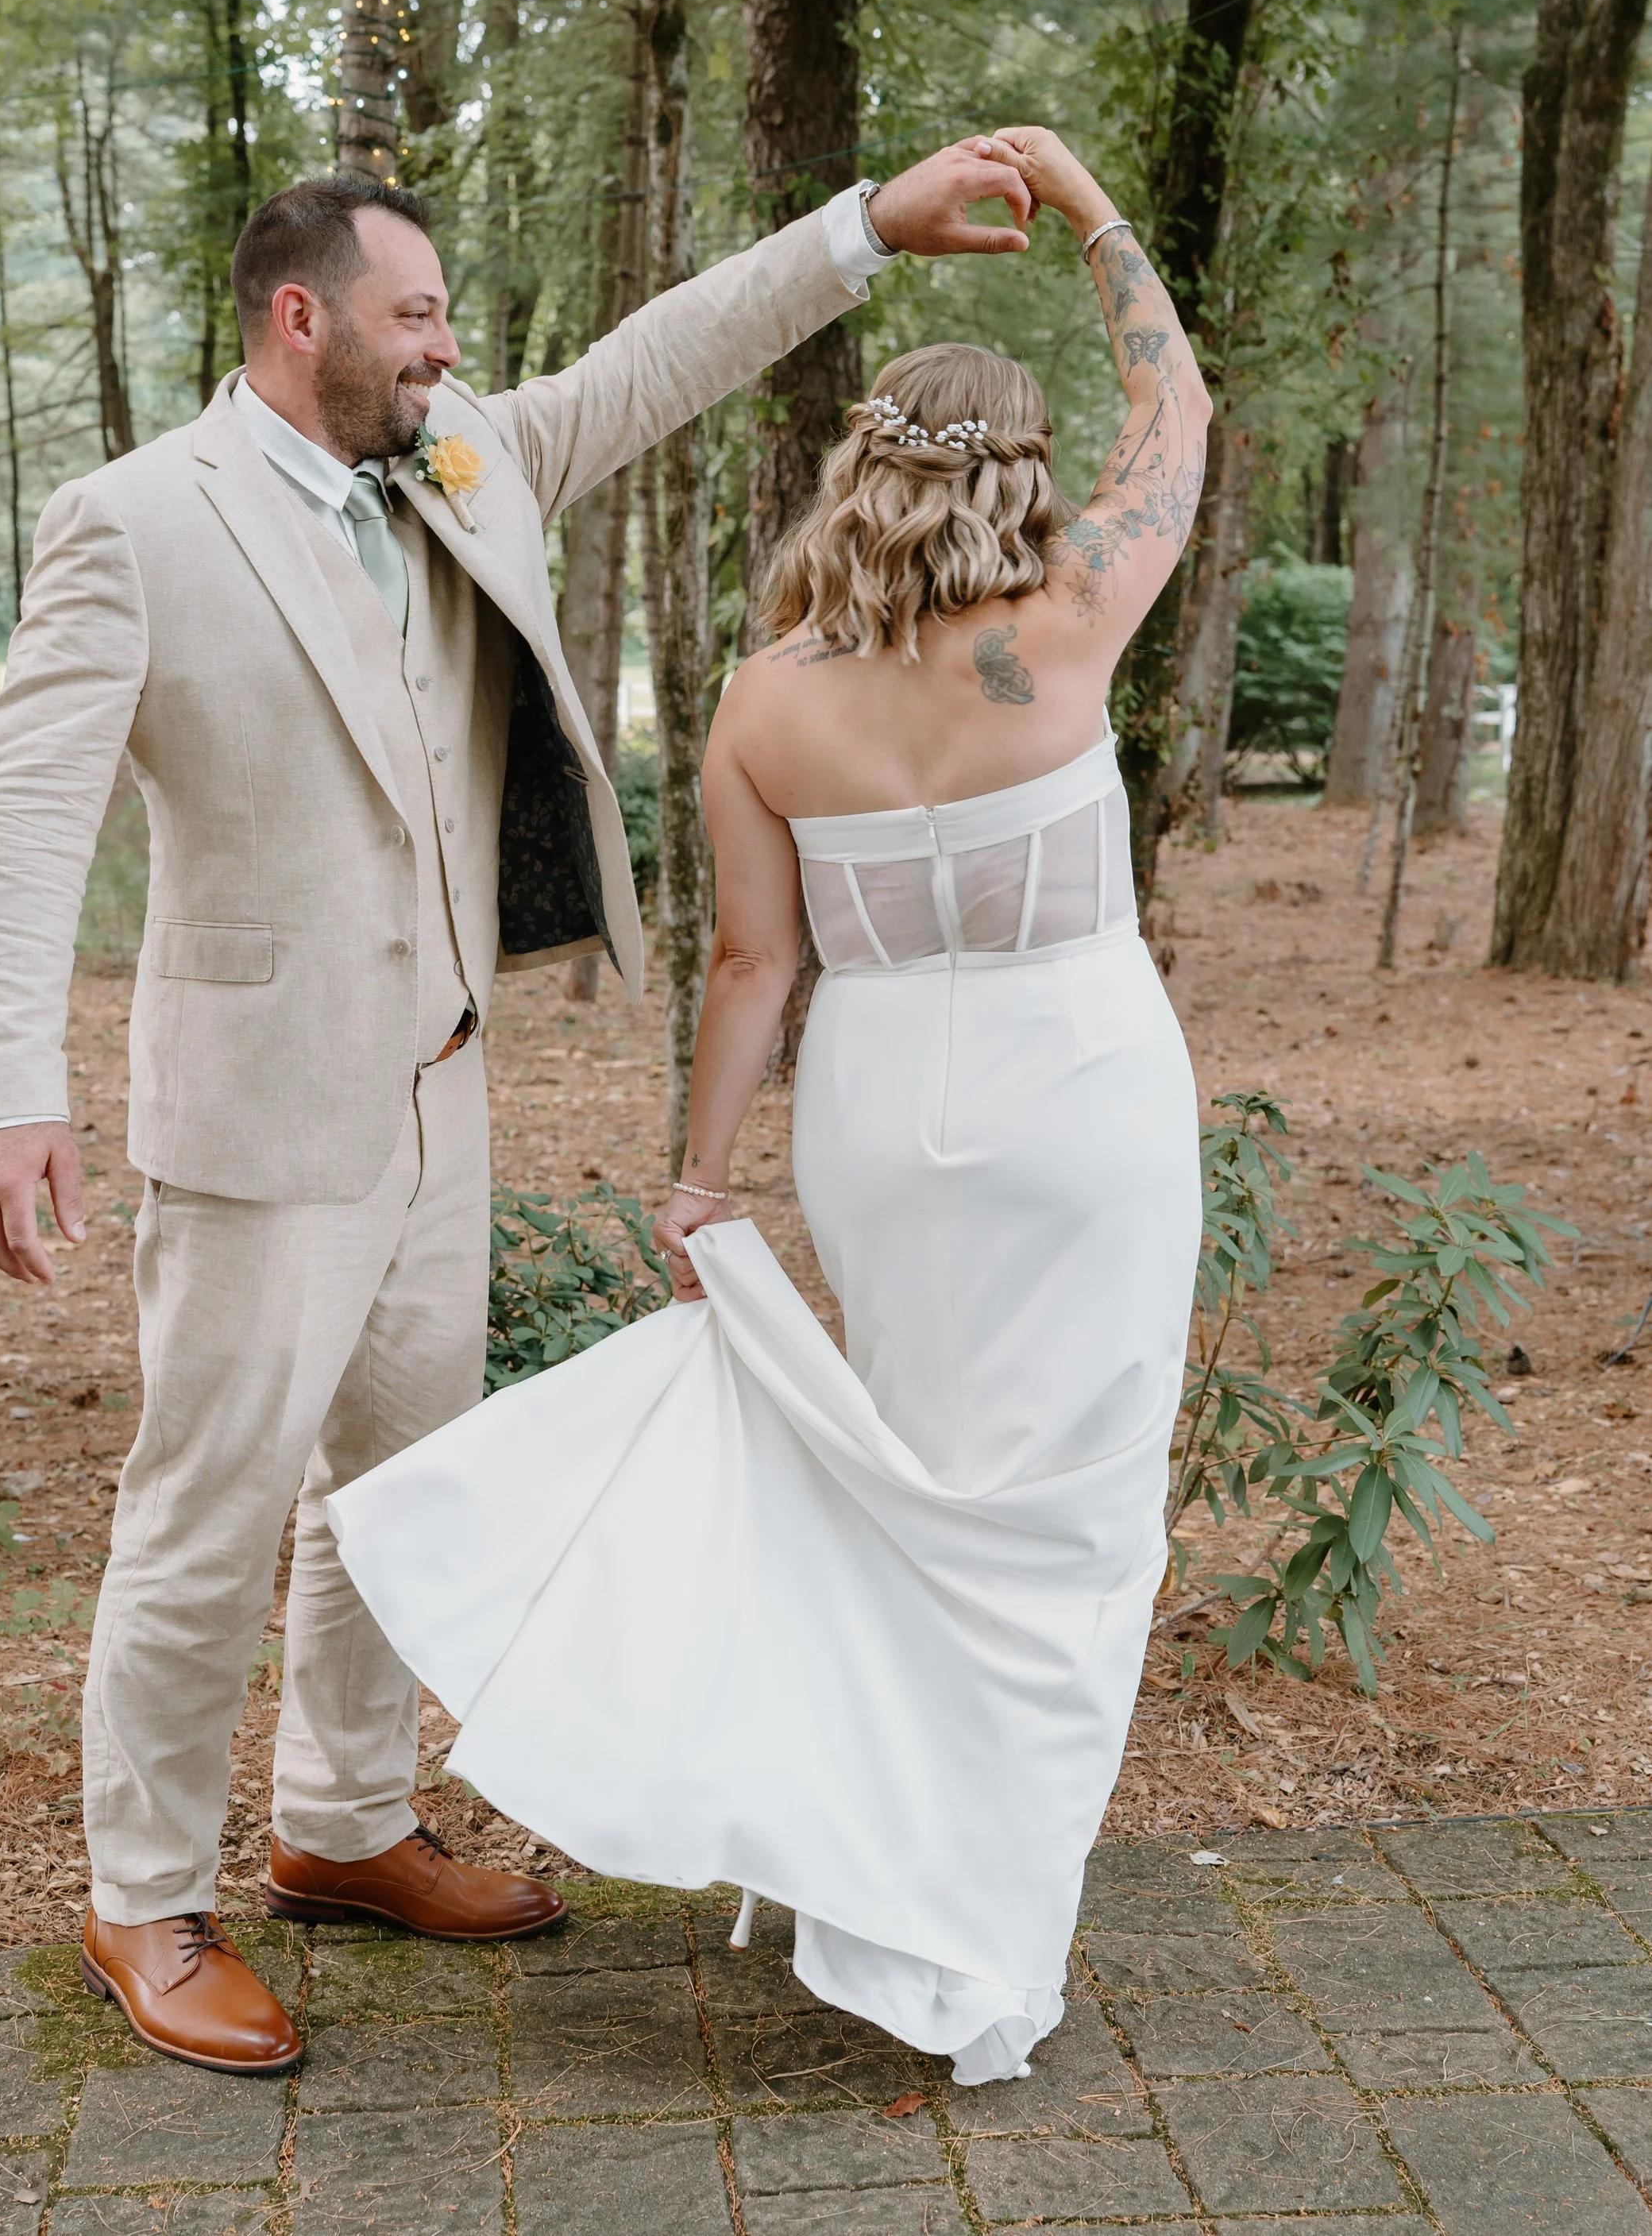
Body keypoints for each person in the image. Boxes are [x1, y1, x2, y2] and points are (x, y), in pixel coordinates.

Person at [0, 137, 1035, 2075]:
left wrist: (866, 226)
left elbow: (657, 357)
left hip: (446, 1099)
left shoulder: (457, 456)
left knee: (399, 1498)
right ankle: (142, 1898)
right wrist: (2, 1089)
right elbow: (23, 817)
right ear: (303, 320)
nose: (447, 347)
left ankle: (341, 1825)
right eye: (413, 314)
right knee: (203, 1517)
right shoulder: (138, 519)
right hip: (260, 1118)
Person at [327, 126, 1212, 2087]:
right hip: (1083, 1112)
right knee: (1063, 1535)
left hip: (882, 1126)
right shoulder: (1064, 625)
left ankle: (883, 1872)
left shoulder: (759, 703)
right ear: (1023, 480)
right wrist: (1081, 211)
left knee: (907, 1498)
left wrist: (701, 1175)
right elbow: (1182, 407)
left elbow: (755, 966)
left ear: (859, 473)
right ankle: (977, 1928)